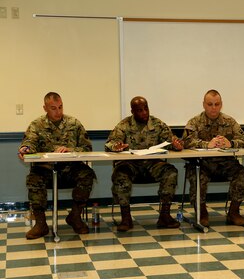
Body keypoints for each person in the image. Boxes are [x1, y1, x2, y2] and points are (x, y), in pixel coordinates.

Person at [18, 92, 96, 239]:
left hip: (70, 169)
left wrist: (70, 150)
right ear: (45, 108)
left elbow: (87, 148)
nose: (58, 112)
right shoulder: (37, 125)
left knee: (87, 175)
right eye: (53, 108)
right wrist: (25, 149)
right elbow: (29, 143)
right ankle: (41, 224)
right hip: (45, 169)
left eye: (60, 107)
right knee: (33, 179)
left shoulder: (74, 123)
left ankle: (75, 216)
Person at [105, 96, 183, 231]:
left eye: (146, 108)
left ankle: (165, 216)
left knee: (171, 172)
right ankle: (126, 218)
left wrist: (176, 145)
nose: (144, 113)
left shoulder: (157, 124)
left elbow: (170, 141)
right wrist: (116, 146)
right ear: (132, 111)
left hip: (153, 164)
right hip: (131, 164)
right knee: (120, 175)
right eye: (139, 110)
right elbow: (110, 143)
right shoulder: (124, 125)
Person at [182, 89, 244, 227]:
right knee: (197, 177)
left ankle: (234, 212)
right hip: (202, 164)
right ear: (203, 105)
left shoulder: (229, 121)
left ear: (221, 104)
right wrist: (207, 145)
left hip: (225, 164)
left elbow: (243, 140)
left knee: (242, 174)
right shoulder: (195, 122)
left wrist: (230, 143)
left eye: (217, 104)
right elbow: (187, 141)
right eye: (210, 104)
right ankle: (202, 212)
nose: (213, 108)